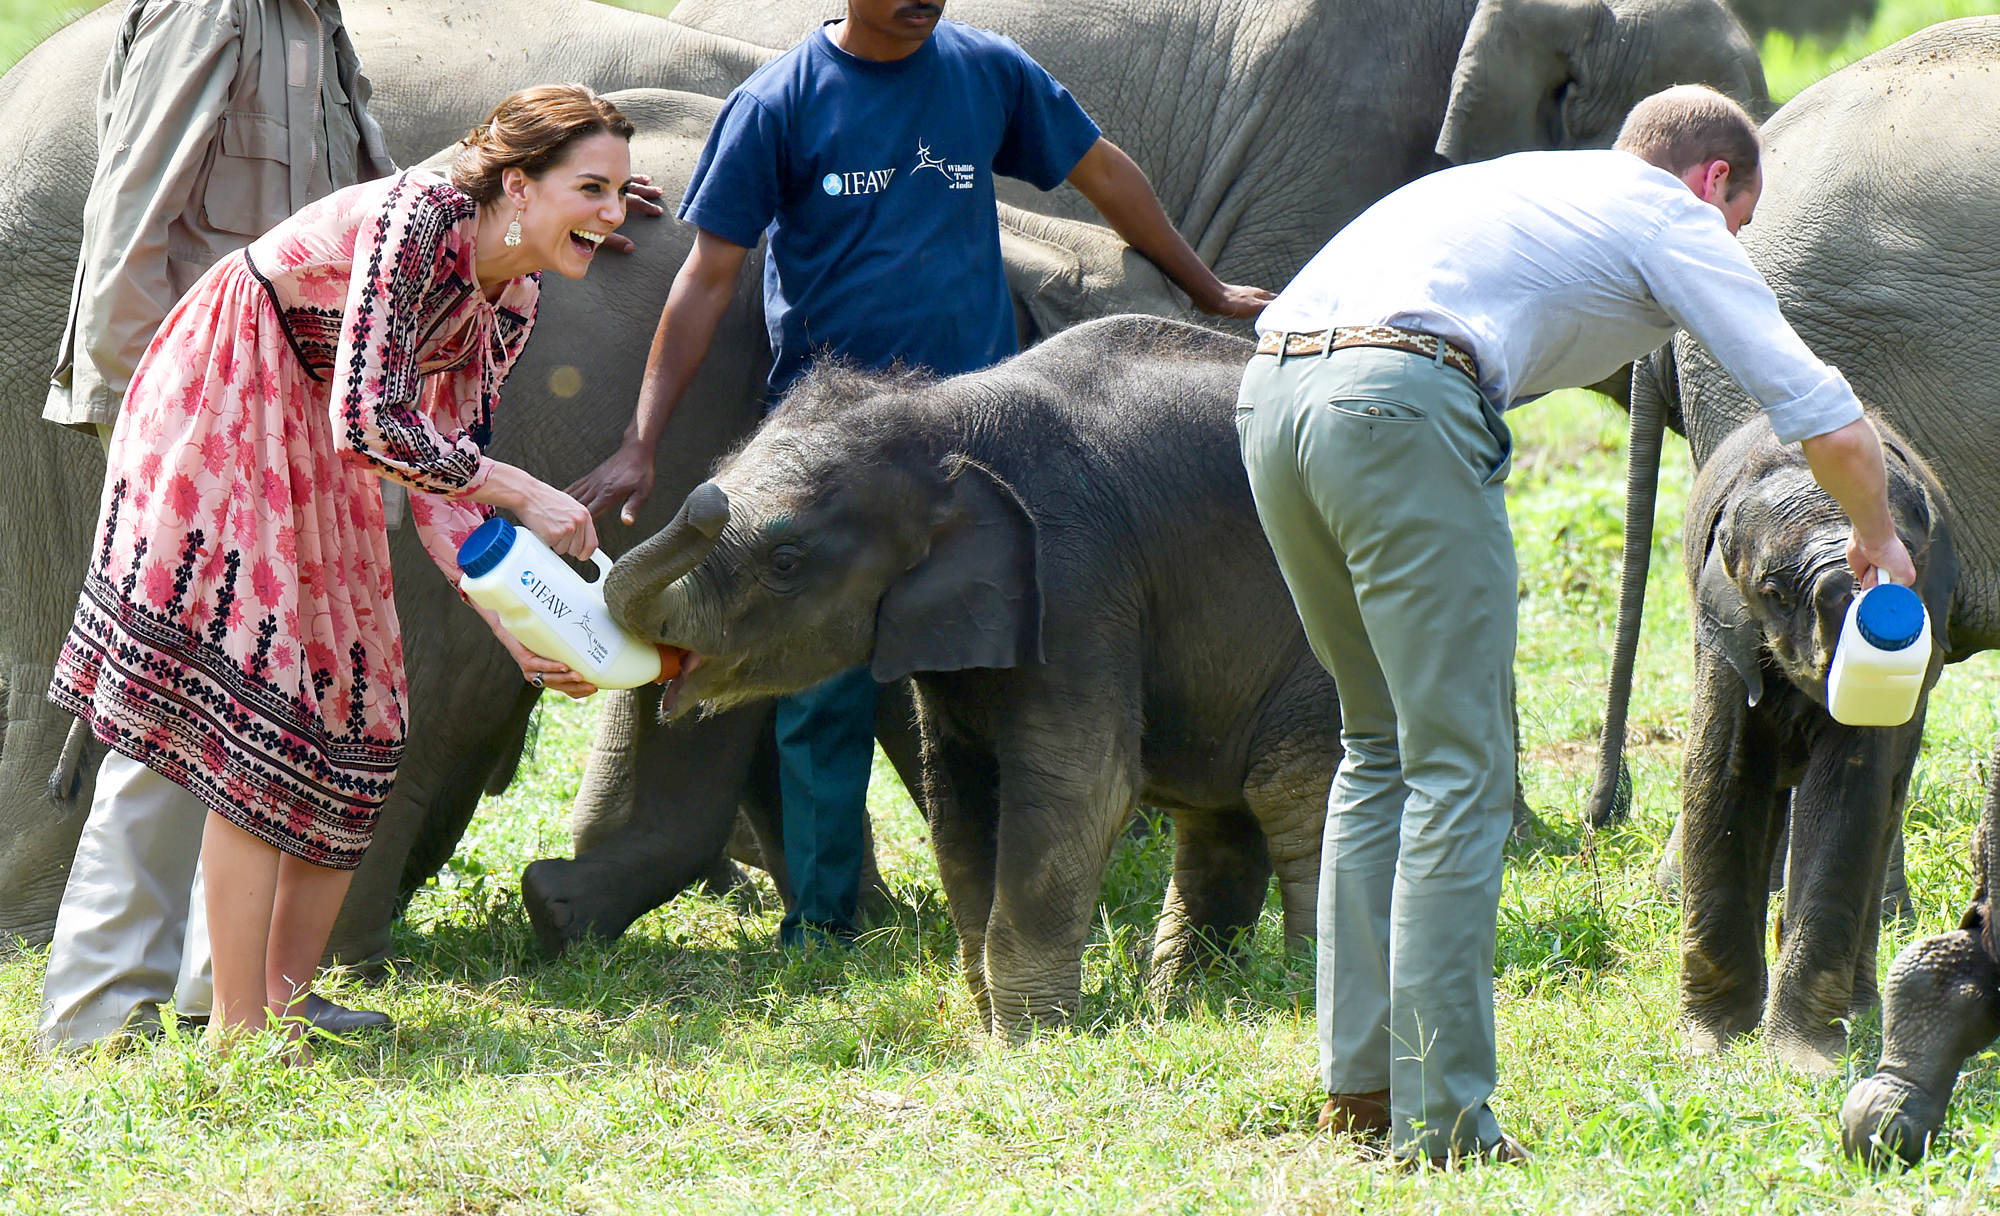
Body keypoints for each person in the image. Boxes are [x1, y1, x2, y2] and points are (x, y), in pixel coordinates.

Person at [1235, 84, 1917, 1166]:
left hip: (1271, 398)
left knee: (1375, 746)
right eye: (1736, 221)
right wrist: (1875, 533)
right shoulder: (1670, 215)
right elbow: (1814, 404)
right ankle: (1445, 1121)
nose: (1727, 240)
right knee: (1460, 767)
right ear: (1712, 182)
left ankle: (1361, 1083)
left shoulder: (1527, 184)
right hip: (1399, 403)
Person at [569, 0, 1271, 948]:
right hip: (833, 455)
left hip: (982, 440)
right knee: (816, 680)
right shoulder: (779, 101)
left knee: (1020, 666)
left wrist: (1205, 288)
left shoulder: (986, 71)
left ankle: (1016, 904)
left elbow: (1099, 168)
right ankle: (824, 914)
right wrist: (643, 439)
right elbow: (708, 275)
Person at [48, 83, 627, 1057]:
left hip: (322, 452)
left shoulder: (509, 301)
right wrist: (526, 489)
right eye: (594, 188)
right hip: (225, 403)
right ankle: (112, 1012)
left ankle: (266, 997)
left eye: (620, 192)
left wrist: (526, 636)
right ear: (518, 187)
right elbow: (373, 416)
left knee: (362, 714)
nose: (614, 216)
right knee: (233, 706)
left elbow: (440, 478)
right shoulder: (421, 216)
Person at [39, 0, 398, 1049]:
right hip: (197, 416)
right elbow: (132, 213)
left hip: (289, 425)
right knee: (168, 711)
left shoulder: (317, 26)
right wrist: (142, 431)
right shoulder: (210, 10)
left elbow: (368, 205)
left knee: (271, 707)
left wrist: (554, 174)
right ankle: (98, 1011)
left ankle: (219, 987)